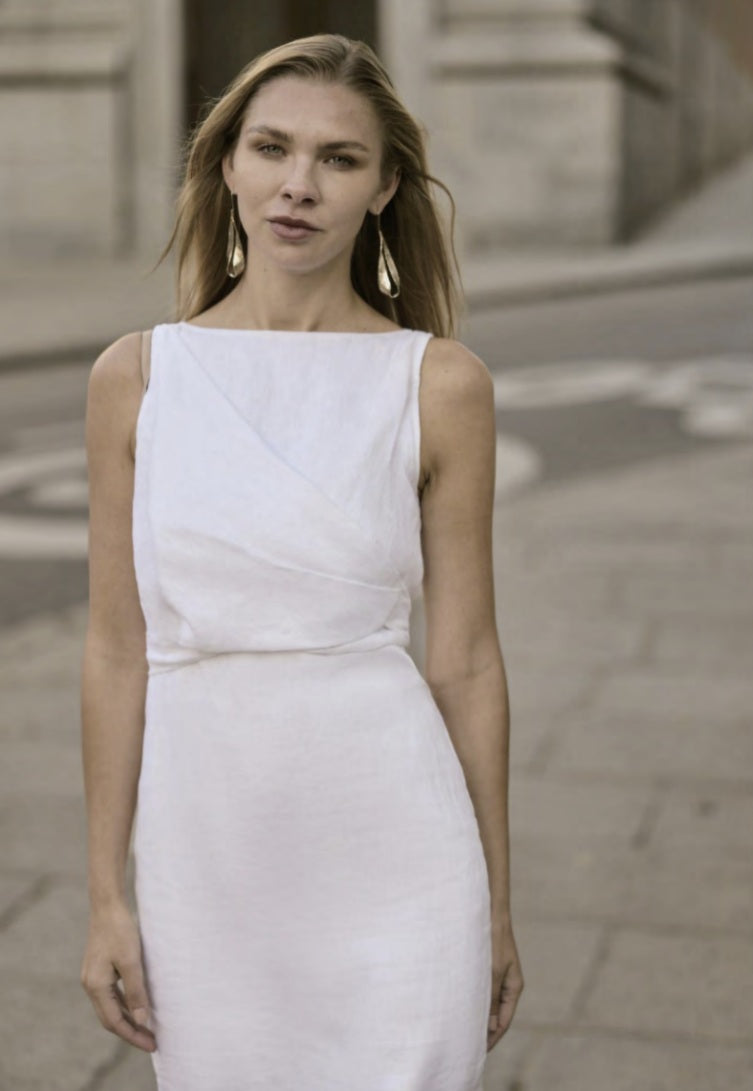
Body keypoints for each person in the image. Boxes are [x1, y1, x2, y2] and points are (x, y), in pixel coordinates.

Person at [79, 31, 523, 1090]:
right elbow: (114, 650)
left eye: (339, 158)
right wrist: (104, 893)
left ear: (384, 188)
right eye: (271, 148)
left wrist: (497, 903)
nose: (298, 185)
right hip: (207, 850)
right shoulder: (138, 378)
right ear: (227, 164)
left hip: (398, 843)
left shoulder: (439, 383)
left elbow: (465, 659)